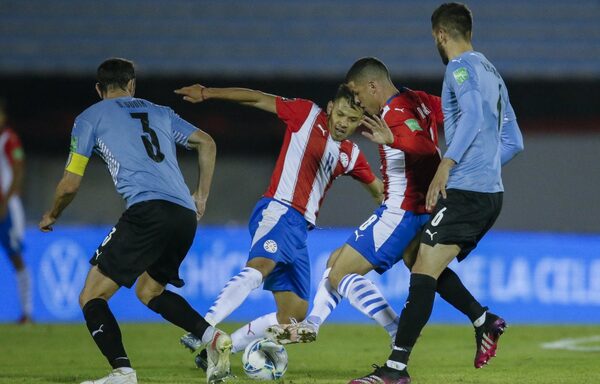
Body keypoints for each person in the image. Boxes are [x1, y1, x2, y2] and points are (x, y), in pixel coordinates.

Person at [269, 57, 496, 350]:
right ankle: (482, 318)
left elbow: (426, 149)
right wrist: (486, 116)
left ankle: (396, 332)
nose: (358, 102)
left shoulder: (394, 114)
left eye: (358, 93)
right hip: (421, 209)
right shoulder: (417, 99)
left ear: (372, 86)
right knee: (417, 265)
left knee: (341, 274)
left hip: (401, 212)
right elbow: (456, 114)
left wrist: (396, 140)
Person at [349, 3, 524, 383]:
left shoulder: (459, 68)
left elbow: (474, 117)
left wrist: (450, 165)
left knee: (423, 268)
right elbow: (514, 141)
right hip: (487, 193)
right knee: (421, 260)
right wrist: (483, 169)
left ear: (440, 35)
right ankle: (483, 320)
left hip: (467, 194)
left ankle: (396, 369)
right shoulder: (491, 71)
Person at [38, 58, 231, 384]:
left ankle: (123, 372)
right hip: (184, 215)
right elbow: (207, 143)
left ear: (99, 89)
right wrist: (201, 196)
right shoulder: (160, 111)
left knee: (91, 296)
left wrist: (52, 214)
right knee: (150, 291)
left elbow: (70, 184)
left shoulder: (89, 117)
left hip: (147, 211)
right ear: (132, 85)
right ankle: (212, 338)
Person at [174, 83, 383, 369]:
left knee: (293, 316)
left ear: (360, 122)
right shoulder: (306, 114)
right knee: (260, 267)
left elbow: (378, 191)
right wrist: (208, 93)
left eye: (352, 120)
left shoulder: (351, 154)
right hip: (278, 209)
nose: (344, 124)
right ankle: (203, 327)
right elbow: (257, 99)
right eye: (342, 115)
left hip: (300, 231)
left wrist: (407, 209)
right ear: (331, 107)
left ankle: (218, 352)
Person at [0, 100, 31, 324]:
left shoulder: (9, 138)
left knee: (15, 256)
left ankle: (27, 312)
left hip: (6, 207)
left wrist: (7, 199)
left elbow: (19, 168)